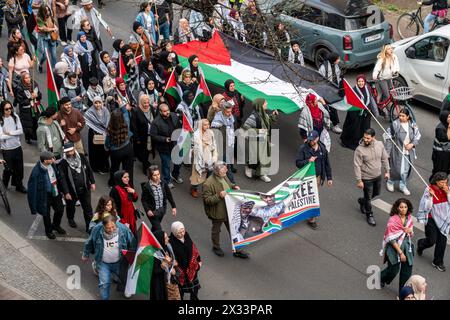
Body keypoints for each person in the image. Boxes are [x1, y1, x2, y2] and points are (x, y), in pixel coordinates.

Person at [82, 215, 136, 300]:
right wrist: (85, 254)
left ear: (116, 224)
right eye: (108, 228)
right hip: (103, 263)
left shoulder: (123, 229)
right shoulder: (97, 229)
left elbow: (132, 242)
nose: (111, 230)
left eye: (113, 227)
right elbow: (89, 241)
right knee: (104, 284)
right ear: (103, 226)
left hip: (119, 261)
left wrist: (133, 256)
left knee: (123, 278)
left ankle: (126, 289)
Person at [202, 161, 249, 258]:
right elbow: (207, 200)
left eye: (226, 168)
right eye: (224, 169)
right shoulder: (208, 183)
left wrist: (234, 187)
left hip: (228, 209)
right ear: (217, 171)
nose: (226, 170)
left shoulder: (224, 176)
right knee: (216, 230)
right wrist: (219, 196)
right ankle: (216, 247)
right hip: (217, 212)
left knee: (234, 230)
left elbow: (228, 185)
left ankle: (237, 249)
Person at [295, 130, 332, 229]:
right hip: (306, 178)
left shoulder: (323, 149)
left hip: (317, 178)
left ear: (317, 139)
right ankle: (298, 211)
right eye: (309, 140)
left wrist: (329, 178)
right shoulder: (303, 148)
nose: (311, 142)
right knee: (302, 197)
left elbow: (327, 164)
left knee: (313, 198)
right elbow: (298, 163)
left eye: (312, 140)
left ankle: (311, 219)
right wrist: (308, 161)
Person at [354, 128, 390, 226]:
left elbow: (384, 158)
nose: (365, 140)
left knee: (376, 193)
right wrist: (359, 180)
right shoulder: (359, 150)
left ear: (373, 137)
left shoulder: (380, 144)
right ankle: (369, 215)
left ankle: (362, 201)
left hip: (377, 175)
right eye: (364, 137)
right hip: (366, 178)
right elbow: (357, 165)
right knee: (369, 198)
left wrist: (387, 171)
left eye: (368, 138)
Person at [27, 151, 66, 239]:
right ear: (45, 161)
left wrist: (63, 191)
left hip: (55, 192)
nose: (53, 159)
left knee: (60, 209)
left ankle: (56, 225)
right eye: (51, 158)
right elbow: (32, 190)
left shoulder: (52, 165)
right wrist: (33, 207)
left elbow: (58, 177)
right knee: (46, 215)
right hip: (44, 196)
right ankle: (49, 231)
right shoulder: (36, 172)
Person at [417, 171, 450, 272]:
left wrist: (447, 193)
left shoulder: (448, 190)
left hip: (443, 219)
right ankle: (421, 244)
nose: (444, 184)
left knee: (442, 241)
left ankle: (438, 262)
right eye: (442, 183)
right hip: (431, 218)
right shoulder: (429, 190)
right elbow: (426, 207)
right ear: (436, 182)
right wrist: (431, 196)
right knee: (432, 240)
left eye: (446, 182)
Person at [58, 142, 95, 232]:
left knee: (88, 208)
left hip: (85, 187)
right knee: (70, 206)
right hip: (71, 191)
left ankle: (89, 227)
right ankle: (70, 218)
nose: (70, 153)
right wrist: (66, 192)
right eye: (68, 152)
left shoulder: (82, 157)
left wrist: (92, 182)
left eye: (71, 151)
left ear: (74, 149)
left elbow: (89, 169)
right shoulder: (63, 163)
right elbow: (62, 179)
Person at [380, 198, 414, 293]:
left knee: (407, 271)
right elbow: (391, 239)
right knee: (393, 270)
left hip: (407, 247)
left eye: (405, 207)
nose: (403, 209)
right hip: (394, 248)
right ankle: (381, 278)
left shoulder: (409, 218)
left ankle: (403, 293)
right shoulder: (393, 220)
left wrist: (410, 231)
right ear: (397, 208)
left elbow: (410, 233)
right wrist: (401, 253)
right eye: (401, 207)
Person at [385, 108, 421, 196]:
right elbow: (388, 138)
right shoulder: (395, 124)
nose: (400, 117)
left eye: (403, 116)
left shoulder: (413, 125)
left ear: (408, 117)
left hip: (409, 151)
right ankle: (390, 181)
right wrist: (387, 152)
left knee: (406, 170)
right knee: (395, 168)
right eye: (400, 115)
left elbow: (417, 136)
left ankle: (403, 185)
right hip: (397, 150)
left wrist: (412, 144)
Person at [242, 98, 279, 183]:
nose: (267, 104)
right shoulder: (253, 117)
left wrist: (273, 116)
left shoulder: (264, 114)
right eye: (265, 103)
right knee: (256, 157)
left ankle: (262, 174)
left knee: (265, 157)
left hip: (265, 139)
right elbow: (245, 129)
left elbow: (267, 121)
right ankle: (249, 166)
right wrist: (259, 131)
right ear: (260, 106)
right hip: (256, 140)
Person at [340, 75, 378, 150]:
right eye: (359, 81)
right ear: (357, 82)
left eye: (362, 81)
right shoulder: (353, 90)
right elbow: (351, 102)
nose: (361, 83)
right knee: (354, 128)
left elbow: (370, 100)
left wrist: (370, 110)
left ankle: (364, 141)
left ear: (365, 82)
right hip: (355, 113)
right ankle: (353, 142)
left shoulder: (367, 89)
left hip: (366, 113)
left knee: (365, 128)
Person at [150, 103, 181, 189]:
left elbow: (179, 126)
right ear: (160, 112)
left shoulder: (174, 116)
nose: (167, 112)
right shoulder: (156, 122)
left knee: (178, 162)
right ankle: (167, 180)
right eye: (164, 111)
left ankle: (175, 175)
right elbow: (153, 136)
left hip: (175, 144)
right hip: (164, 148)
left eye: (168, 110)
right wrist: (164, 139)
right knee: (166, 164)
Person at [169, 221, 202, 300]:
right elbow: (170, 257)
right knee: (181, 291)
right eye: (179, 232)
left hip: (192, 268)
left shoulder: (186, 236)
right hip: (181, 272)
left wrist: (198, 261)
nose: (182, 234)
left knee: (195, 289)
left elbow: (193, 249)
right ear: (174, 232)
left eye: (183, 231)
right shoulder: (171, 243)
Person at [0, 100, 26, 193]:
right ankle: (4, 186)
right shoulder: (1, 120)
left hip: (17, 147)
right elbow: (0, 136)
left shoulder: (15, 117)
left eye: (10, 108)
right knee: (8, 169)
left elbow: (20, 131)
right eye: (6, 109)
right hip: (7, 149)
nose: (9, 110)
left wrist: (10, 133)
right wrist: (13, 135)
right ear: (2, 110)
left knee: (19, 169)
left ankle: (19, 185)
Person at [141, 165, 177, 232]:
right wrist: (148, 210)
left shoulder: (163, 183)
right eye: (155, 175)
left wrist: (173, 206)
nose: (157, 177)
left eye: (158, 174)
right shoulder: (147, 187)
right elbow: (143, 200)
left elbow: (169, 195)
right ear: (150, 176)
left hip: (161, 210)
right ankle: (157, 240)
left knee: (155, 227)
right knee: (159, 229)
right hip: (152, 212)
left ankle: (152, 237)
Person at [105, 111, 134, 187]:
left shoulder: (110, 129)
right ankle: (129, 186)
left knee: (115, 168)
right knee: (128, 170)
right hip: (128, 148)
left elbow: (107, 143)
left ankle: (113, 183)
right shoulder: (126, 122)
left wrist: (107, 147)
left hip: (116, 152)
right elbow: (126, 112)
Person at [191, 119, 218, 198]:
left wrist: (214, 155)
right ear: (201, 125)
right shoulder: (196, 134)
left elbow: (214, 144)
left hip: (208, 157)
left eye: (208, 124)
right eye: (205, 125)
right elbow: (192, 146)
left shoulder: (211, 133)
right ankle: (194, 189)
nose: (207, 126)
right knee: (197, 175)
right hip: (199, 158)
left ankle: (206, 190)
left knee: (209, 175)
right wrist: (198, 146)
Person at [211, 100, 236, 183]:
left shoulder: (230, 117)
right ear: (223, 111)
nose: (230, 113)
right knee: (225, 165)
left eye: (231, 111)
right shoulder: (217, 120)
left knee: (222, 164)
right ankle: (232, 183)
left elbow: (231, 128)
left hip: (229, 143)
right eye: (228, 112)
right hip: (222, 146)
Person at [84, 95, 110, 173]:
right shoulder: (89, 112)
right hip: (94, 134)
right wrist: (98, 129)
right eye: (96, 103)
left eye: (99, 103)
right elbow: (88, 123)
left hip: (105, 133)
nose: (98, 105)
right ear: (93, 103)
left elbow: (108, 120)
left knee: (105, 151)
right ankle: (97, 167)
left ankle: (105, 166)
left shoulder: (105, 110)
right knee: (96, 152)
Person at [14, 72, 42, 143]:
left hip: (35, 107)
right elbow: (21, 101)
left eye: (29, 77)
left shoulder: (34, 84)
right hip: (26, 109)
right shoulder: (20, 88)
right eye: (26, 78)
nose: (28, 79)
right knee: (28, 124)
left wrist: (37, 96)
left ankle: (35, 136)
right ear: (23, 79)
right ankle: (28, 138)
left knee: (35, 121)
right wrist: (30, 98)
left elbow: (39, 95)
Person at [109, 170, 138, 235]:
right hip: (123, 217)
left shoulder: (127, 186)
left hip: (131, 216)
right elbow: (114, 206)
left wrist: (133, 192)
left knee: (133, 234)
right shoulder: (115, 190)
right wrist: (120, 219)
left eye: (128, 176)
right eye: (125, 177)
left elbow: (134, 199)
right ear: (119, 178)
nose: (128, 178)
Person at [132, 94, 155, 175]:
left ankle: (145, 161)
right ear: (141, 102)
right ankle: (145, 167)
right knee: (144, 151)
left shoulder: (151, 108)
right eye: (144, 103)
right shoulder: (136, 111)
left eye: (148, 102)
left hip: (151, 135)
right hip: (142, 136)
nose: (146, 105)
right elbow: (134, 126)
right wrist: (137, 138)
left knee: (149, 150)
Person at [150, 230, 176, 300]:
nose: (168, 238)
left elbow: (172, 259)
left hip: (168, 279)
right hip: (159, 283)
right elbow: (155, 271)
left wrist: (171, 264)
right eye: (166, 238)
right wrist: (164, 263)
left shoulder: (167, 247)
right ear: (160, 240)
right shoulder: (154, 254)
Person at [36, 3, 58, 72]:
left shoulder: (50, 16)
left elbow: (53, 24)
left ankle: (54, 70)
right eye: (46, 11)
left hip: (51, 37)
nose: (48, 12)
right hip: (44, 38)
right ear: (42, 11)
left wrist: (55, 27)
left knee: (54, 55)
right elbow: (44, 29)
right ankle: (40, 64)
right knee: (45, 56)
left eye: (48, 10)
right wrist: (53, 29)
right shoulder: (38, 18)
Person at [431, 111, 450, 177]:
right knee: (439, 171)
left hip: (446, 154)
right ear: (444, 118)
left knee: (446, 170)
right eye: (449, 117)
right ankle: (434, 184)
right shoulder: (440, 128)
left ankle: (443, 184)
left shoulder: (447, 125)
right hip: (440, 155)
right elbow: (447, 139)